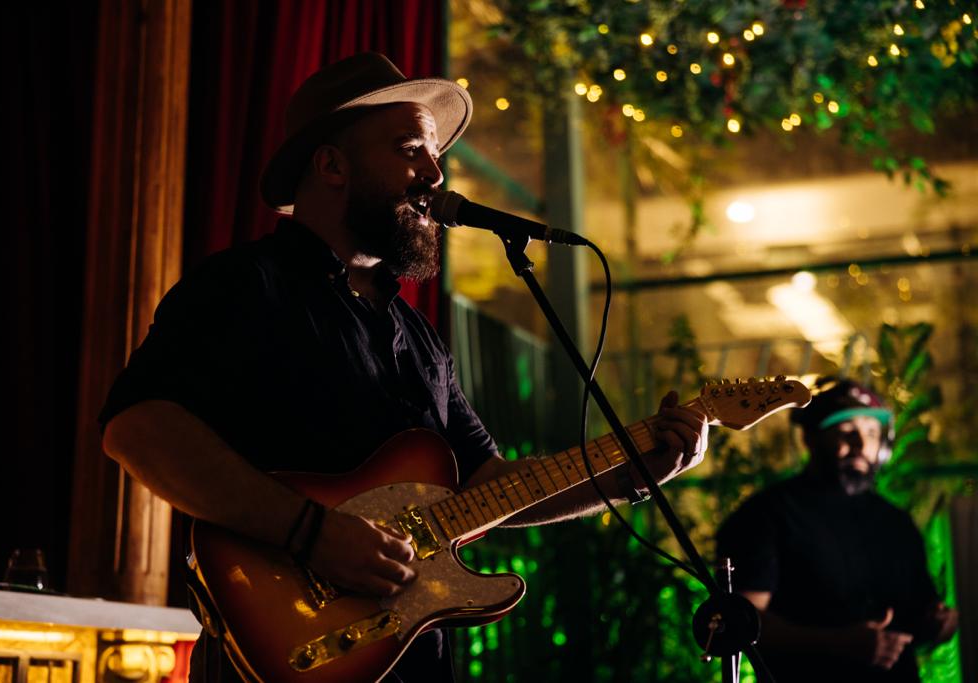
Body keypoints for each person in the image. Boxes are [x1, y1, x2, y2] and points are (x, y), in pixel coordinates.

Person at [99, 52, 710, 682]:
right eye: (411, 149)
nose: (436, 175)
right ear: (332, 165)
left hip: (411, 660)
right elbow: (136, 428)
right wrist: (312, 534)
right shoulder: (246, 285)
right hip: (288, 652)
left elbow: (485, 483)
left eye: (435, 155)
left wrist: (632, 473)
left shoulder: (416, 335)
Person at [717, 377, 958, 682]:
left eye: (871, 432)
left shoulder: (896, 522)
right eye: (846, 431)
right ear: (810, 438)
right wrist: (839, 643)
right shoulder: (765, 515)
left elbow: (919, 614)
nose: (861, 444)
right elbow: (742, 622)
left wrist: (940, 625)